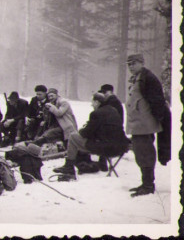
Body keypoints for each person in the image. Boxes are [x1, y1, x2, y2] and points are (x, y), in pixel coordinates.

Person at [53, 93, 129, 181]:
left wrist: (82, 129)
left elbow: (86, 133)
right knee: (80, 138)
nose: (91, 104)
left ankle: (69, 167)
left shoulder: (96, 113)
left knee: (73, 136)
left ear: (97, 102)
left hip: (106, 147)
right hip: (120, 147)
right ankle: (81, 163)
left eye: (92, 102)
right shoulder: (114, 110)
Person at [125, 53, 170, 197]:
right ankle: (146, 183)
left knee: (145, 154)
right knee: (140, 153)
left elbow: (157, 101)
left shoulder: (148, 78)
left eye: (134, 63)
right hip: (138, 125)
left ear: (141, 63)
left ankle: (148, 185)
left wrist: (158, 119)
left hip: (144, 125)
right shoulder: (137, 78)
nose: (131, 66)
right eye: (129, 64)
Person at [97, 84, 124, 171]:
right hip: (115, 130)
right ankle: (102, 162)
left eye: (104, 92)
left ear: (110, 92)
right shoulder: (113, 100)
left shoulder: (112, 101)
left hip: (113, 131)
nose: (103, 94)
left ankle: (102, 164)